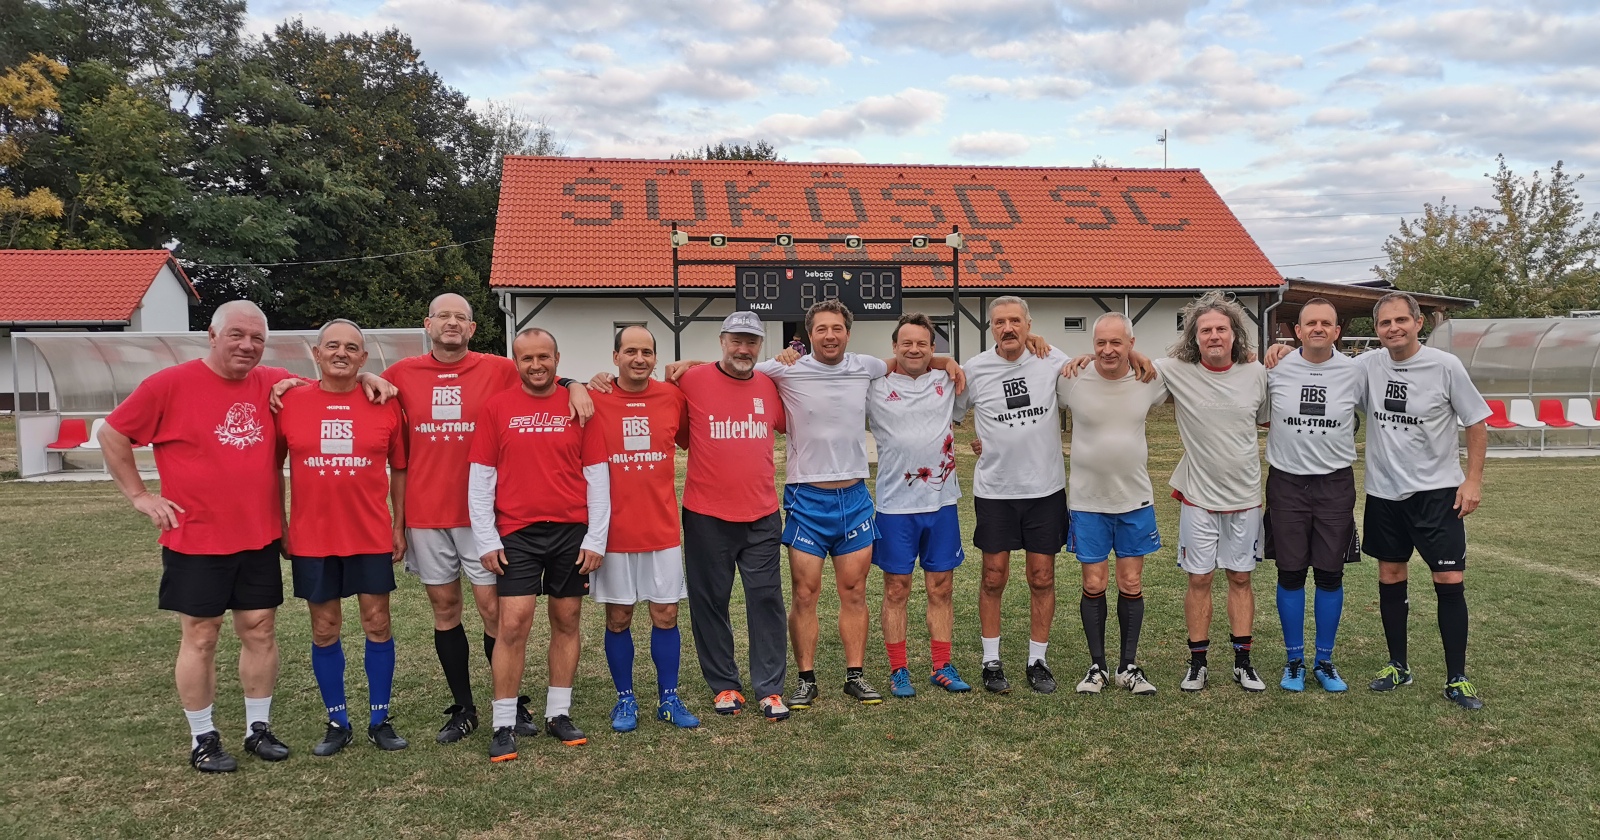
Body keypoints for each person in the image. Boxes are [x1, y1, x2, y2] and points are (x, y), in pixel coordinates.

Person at [99, 300, 392, 772]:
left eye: (257, 338)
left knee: (259, 629)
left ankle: (259, 728)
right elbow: (112, 433)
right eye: (237, 334)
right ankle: (203, 737)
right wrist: (139, 495)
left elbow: (332, 377)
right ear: (213, 335)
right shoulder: (169, 384)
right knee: (202, 635)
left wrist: (369, 376)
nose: (247, 345)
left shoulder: (271, 381)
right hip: (196, 537)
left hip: (258, 537)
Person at [382, 293, 591, 745]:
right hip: (427, 512)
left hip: (487, 517)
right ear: (427, 324)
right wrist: (361, 375)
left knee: (497, 612)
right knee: (445, 610)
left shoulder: (497, 368)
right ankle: (464, 708)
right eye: (443, 316)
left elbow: (540, 371)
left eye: (460, 317)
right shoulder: (400, 373)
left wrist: (575, 384)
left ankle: (512, 705)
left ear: (472, 328)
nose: (451, 323)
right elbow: (356, 388)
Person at [468, 327, 610, 762]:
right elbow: (481, 477)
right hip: (517, 532)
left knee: (567, 620)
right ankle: (503, 722)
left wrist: (596, 537)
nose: (536, 365)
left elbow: (597, 476)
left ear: (557, 359)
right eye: (527, 358)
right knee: (513, 624)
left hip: (570, 531)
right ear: (516, 362)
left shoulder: (579, 406)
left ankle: (558, 713)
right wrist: (486, 538)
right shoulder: (497, 408)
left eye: (543, 357)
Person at [277, 319, 410, 755]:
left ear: (363, 358)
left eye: (352, 348)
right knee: (324, 628)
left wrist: (398, 525)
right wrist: (281, 525)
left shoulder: (384, 402)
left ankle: (379, 719)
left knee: (378, 622)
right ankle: (337, 722)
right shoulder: (289, 402)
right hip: (313, 538)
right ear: (316, 354)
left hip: (369, 534)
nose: (341, 353)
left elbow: (400, 468)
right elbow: (271, 468)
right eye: (332, 346)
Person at [1358, 292, 1490, 710]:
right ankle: (1398, 665)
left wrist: (1472, 480)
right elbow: (1321, 365)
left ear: (1417, 323)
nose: (1393, 328)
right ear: (1376, 329)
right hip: (1384, 493)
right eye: (1385, 322)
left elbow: (1476, 421)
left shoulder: (1445, 366)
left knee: (1448, 580)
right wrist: (1279, 352)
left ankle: (1457, 679)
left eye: (1401, 320)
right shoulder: (1367, 365)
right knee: (1391, 575)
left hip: (1437, 494)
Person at [674, 313, 792, 721]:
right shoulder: (691, 380)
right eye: (736, 341)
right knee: (710, 601)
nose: (744, 349)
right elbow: (677, 431)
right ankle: (724, 684)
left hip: (762, 513)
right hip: (706, 514)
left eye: (751, 342)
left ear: (760, 345)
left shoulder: (769, 384)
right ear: (722, 341)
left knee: (766, 599)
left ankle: (770, 689)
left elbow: (786, 422)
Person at [954, 296, 1072, 695]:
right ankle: (991, 660)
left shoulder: (1051, 358)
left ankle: (1037, 660)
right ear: (990, 327)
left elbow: (1095, 367)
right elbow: (950, 411)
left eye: (1015, 321)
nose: (1008, 328)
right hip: (995, 491)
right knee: (993, 576)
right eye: (1000, 322)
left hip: (1045, 490)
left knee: (1042, 577)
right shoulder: (975, 368)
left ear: (1028, 325)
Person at [587, 326, 699, 732]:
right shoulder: (594, 398)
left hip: (661, 528)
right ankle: (625, 699)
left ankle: (668, 698)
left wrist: (691, 364)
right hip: (613, 532)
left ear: (655, 358)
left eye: (647, 352)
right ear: (615, 357)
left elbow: (691, 435)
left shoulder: (672, 397)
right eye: (630, 351)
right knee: (619, 618)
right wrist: (575, 383)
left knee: (666, 614)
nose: (639, 359)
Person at [1157, 291, 1270, 694]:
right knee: (1200, 578)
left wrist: (1280, 353)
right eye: (1206, 330)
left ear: (1235, 334)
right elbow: (1127, 362)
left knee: (1240, 577)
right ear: (1194, 337)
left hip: (1245, 496)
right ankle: (1198, 663)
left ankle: (1243, 663)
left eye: (1221, 328)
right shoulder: (1175, 370)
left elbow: (1267, 420)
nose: (1214, 336)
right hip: (1198, 497)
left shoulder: (1256, 373)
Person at [1055, 313, 1167, 697]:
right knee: (1093, 582)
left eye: (1116, 342)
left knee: (1131, 582)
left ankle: (1127, 667)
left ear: (1131, 344)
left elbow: (1192, 361)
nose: (1107, 350)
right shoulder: (1070, 378)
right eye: (1100, 342)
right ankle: (1098, 667)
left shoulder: (1150, 378)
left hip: (1134, 499)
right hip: (1088, 502)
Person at [1260, 299, 1364, 693]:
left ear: (1337, 331)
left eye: (1326, 323)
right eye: (1310, 323)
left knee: (1330, 573)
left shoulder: (1355, 371)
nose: (1318, 328)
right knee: (1290, 573)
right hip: (1287, 484)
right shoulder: (1275, 369)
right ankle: (1294, 661)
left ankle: (1324, 661)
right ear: (1297, 331)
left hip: (1334, 484)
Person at [866, 313, 971, 697]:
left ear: (933, 347)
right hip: (895, 506)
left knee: (941, 587)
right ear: (894, 346)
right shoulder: (873, 385)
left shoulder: (948, 379)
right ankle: (899, 670)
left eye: (922, 344)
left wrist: (945, 362)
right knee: (897, 589)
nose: (914, 349)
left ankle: (941, 666)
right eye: (906, 343)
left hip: (941, 503)